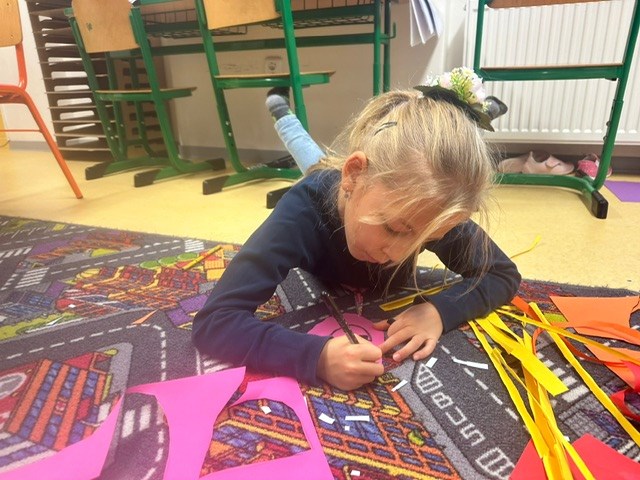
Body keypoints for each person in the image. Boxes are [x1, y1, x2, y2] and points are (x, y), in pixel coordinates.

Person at [192, 68, 521, 391]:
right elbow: (215, 322)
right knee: (309, 157)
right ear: (353, 175)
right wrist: (315, 356)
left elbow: (502, 273)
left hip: (357, 181)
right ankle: (281, 110)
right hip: (326, 182)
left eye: (426, 241)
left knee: (318, 159)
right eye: (394, 229)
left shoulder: (429, 208)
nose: (398, 256)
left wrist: (439, 311)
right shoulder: (300, 212)